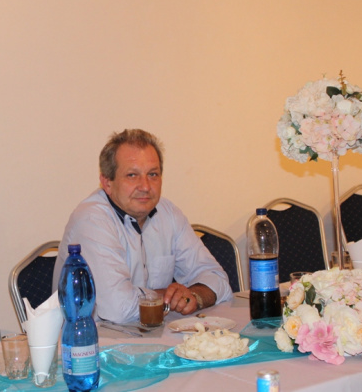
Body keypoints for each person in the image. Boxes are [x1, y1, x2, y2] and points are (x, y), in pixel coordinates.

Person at [52, 129, 232, 324]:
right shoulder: (91, 219)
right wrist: (170, 296)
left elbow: (218, 281)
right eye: (132, 175)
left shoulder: (168, 213)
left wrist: (194, 296)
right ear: (107, 182)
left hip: (154, 334)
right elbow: (118, 308)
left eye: (153, 174)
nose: (145, 186)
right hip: (95, 339)